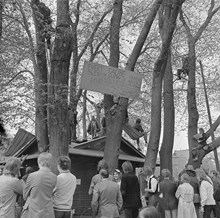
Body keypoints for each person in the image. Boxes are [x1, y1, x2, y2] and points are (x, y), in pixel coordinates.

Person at [21, 152, 57, 218]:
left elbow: (25, 196)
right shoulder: (54, 177)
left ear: (39, 162)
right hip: (48, 212)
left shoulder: (32, 176)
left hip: (34, 212)